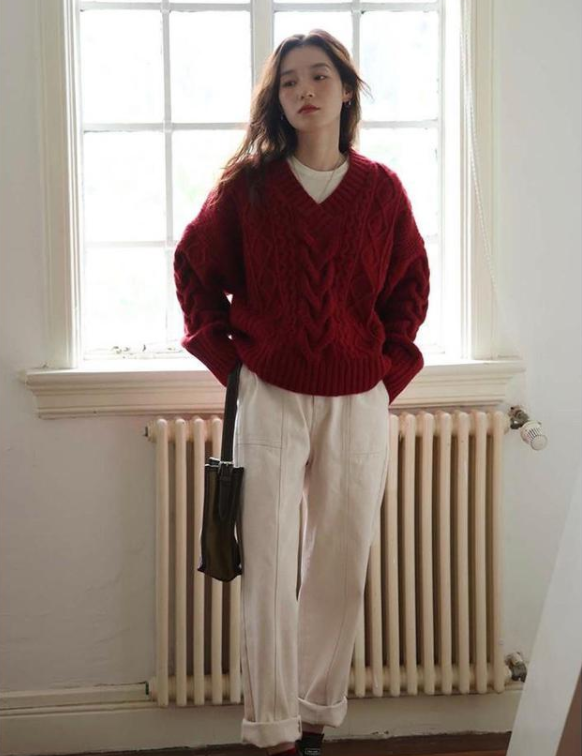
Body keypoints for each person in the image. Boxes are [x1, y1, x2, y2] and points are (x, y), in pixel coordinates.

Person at [173, 28, 430, 756]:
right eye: (288, 82)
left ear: (346, 90)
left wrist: (387, 373)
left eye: (319, 76)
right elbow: (192, 269)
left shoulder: (381, 190)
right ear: (276, 100)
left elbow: (411, 285)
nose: (304, 91)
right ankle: (272, 729)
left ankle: (315, 717)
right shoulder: (248, 189)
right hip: (270, 397)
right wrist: (231, 365)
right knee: (267, 563)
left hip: (358, 398)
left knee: (341, 564)